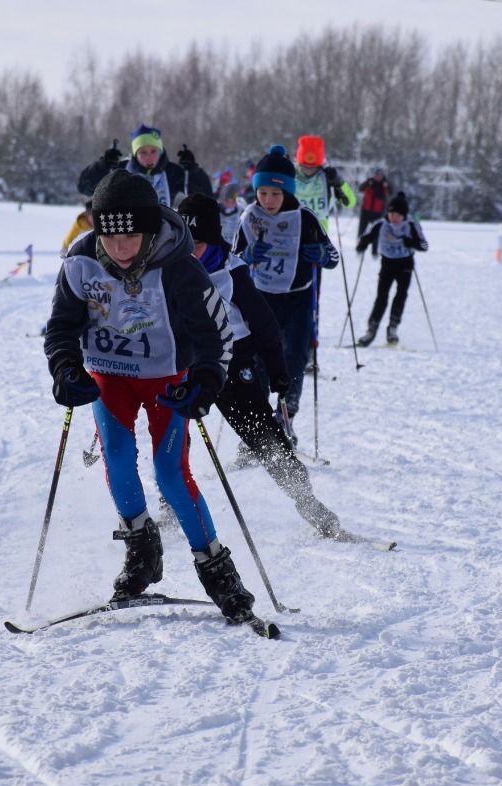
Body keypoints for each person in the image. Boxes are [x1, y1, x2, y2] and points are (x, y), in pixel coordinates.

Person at [44, 170, 265, 626]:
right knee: (118, 459)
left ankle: (216, 567)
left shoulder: (180, 267)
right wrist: (66, 368)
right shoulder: (80, 263)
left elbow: (216, 335)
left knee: (170, 473)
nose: (119, 249)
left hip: (169, 378)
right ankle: (142, 547)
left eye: (130, 238)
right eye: (108, 236)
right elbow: (61, 329)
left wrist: (206, 380)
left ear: (148, 230)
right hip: (111, 377)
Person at [178, 193, 343, 537]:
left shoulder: (231, 271)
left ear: (212, 240)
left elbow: (265, 325)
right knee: (173, 438)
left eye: (198, 244)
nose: (190, 251)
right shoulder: (169, 270)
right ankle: (170, 506)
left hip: (232, 366)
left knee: (268, 439)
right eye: (184, 242)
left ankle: (307, 503)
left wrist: (278, 372)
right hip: (187, 364)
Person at [231, 145, 338, 442]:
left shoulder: (306, 219)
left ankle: (286, 419)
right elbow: (231, 258)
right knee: (262, 361)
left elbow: (333, 258)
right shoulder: (249, 217)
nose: (268, 200)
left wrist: (321, 255)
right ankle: (260, 428)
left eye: (276, 194)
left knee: (294, 359)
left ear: (288, 192)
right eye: (263, 192)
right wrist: (248, 254)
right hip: (262, 298)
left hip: (299, 299)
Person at [75, 124, 213, 208]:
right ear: (135, 154)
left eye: (153, 151)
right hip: (127, 231)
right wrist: (102, 166)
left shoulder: (172, 172)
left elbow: (206, 197)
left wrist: (193, 171)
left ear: (160, 151)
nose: (149, 157)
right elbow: (84, 187)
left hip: (162, 232)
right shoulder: (120, 170)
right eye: (143, 152)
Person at [355, 192, 427, 346]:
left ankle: (393, 328)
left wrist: (412, 243)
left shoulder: (412, 225)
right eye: (391, 213)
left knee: (401, 295)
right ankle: (371, 330)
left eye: (398, 215)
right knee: (381, 297)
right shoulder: (381, 224)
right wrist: (363, 244)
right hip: (387, 263)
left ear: (404, 215)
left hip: (405, 264)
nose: (394, 217)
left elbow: (424, 245)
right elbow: (366, 236)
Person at [293, 135, 356, 234]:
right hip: (292, 231)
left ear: (319, 165)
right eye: (305, 167)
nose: (309, 171)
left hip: (318, 234)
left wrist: (338, 182)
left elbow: (350, 202)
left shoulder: (327, 177)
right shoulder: (291, 175)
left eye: (313, 167)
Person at [358, 167, 391, 236]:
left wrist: (387, 186)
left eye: (380, 175)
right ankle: (359, 243)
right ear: (374, 175)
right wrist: (367, 183)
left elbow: (390, 193)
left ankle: (375, 246)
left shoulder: (385, 184)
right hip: (366, 210)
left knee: (376, 232)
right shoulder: (370, 181)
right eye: (377, 175)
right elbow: (361, 189)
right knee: (362, 230)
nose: (378, 177)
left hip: (378, 212)